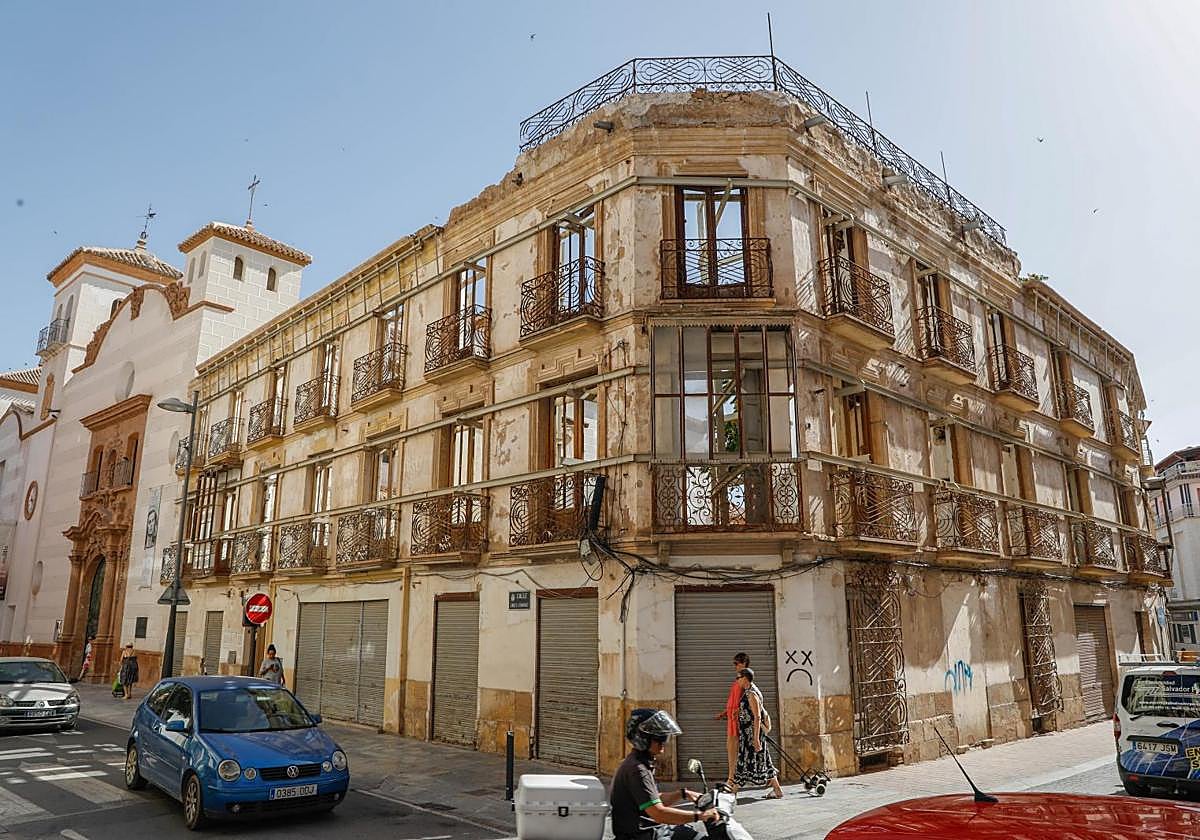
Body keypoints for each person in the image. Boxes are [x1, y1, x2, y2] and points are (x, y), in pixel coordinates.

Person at [610, 708, 718, 840]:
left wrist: (683, 794)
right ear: (643, 738)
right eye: (658, 738)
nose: (664, 742)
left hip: (650, 831)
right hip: (642, 835)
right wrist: (699, 816)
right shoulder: (637, 769)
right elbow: (659, 813)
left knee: (690, 833)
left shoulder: (638, 763)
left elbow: (651, 800)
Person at [732, 668, 783, 799]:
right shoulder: (750, 691)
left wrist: (755, 739)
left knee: (742, 762)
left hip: (751, 735)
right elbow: (751, 711)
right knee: (764, 760)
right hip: (750, 734)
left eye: (738, 677)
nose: (737, 680)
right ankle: (777, 790)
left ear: (745, 678)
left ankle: (732, 793)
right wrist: (740, 712)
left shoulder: (751, 694)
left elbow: (757, 717)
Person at [714, 652, 750, 787]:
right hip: (731, 719)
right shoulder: (738, 680)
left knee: (734, 751)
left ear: (744, 663)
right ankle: (732, 779)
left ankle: (731, 779)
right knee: (732, 749)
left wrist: (737, 711)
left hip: (737, 721)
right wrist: (724, 713)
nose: (734, 666)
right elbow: (734, 700)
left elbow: (747, 699)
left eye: (736, 663)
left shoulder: (745, 679)